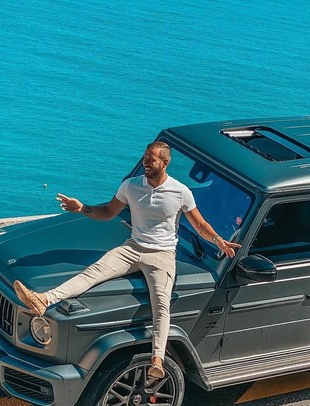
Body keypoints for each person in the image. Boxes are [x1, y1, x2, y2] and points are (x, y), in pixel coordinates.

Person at [14, 141, 240, 380]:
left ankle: (157, 360)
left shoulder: (181, 192)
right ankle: (43, 300)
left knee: (161, 304)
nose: (145, 162)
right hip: (132, 248)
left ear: (165, 163)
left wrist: (219, 241)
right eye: (144, 157)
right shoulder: (131, 186)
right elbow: (109, 211)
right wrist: (82, 208)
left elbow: (200, 225)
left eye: (150, 159)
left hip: (162, 255)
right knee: (92, 273)